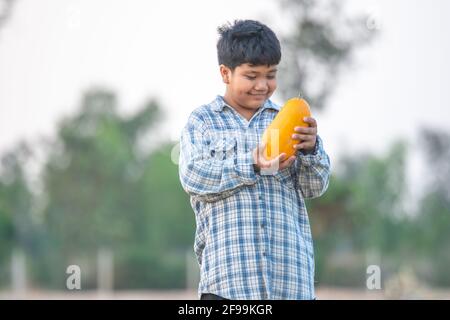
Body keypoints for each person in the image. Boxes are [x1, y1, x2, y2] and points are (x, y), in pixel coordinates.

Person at [179, 19, 331, 300]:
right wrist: (252, 165)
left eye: (271, 74)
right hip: (228, 285)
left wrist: (311, 151)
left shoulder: (287, 121)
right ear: (226, 73)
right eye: (251, 76)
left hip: (290, 284)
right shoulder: (203, 122)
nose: (262, 85)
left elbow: (315, 186)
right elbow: (193, 175)